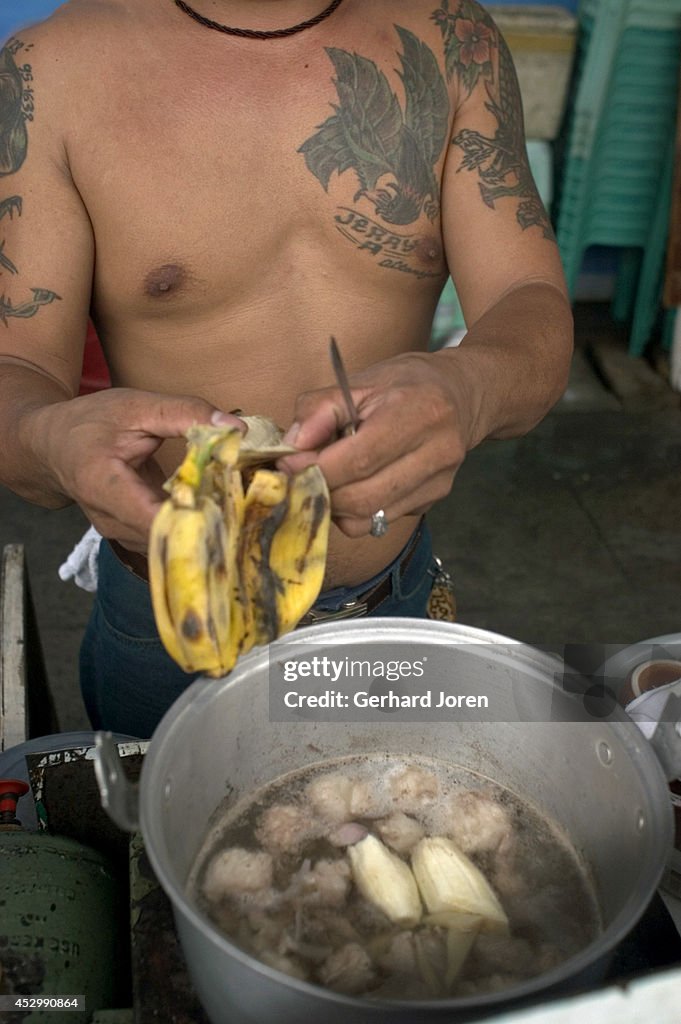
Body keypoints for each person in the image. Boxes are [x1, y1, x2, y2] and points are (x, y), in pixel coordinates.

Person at [0, 0, 573, 738]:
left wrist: (469, 386)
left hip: (382, 605)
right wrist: (51, 438)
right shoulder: (51, 69)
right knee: (155, 845)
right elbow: (17, 367)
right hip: (174, 619)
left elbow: (529, 301)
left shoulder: (449, 36)